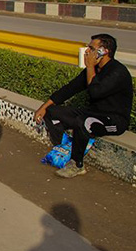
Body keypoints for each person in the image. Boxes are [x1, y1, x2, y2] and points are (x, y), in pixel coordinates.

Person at [34, 34, 133, 178]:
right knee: (51, 112)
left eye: (91, 48)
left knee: (84, 122)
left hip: (114, 120)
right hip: (92, 114)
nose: (87, 51)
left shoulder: (118, 72)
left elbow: (95, 92)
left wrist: (90, 66)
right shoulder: (93, 69)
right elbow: (69, 89)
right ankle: (64, 148)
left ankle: (77, 164)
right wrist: (43, 107)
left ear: (104, 51)